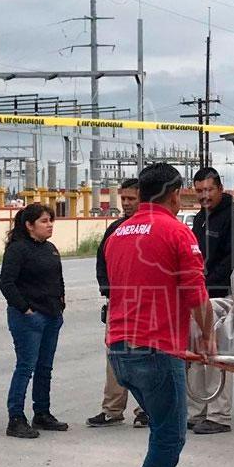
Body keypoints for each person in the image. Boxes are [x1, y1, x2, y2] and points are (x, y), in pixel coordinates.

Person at [105, 162, 214, 467]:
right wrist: (210, 337)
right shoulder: (177, 232)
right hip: (156, 349)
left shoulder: (119, 232)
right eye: (182, 192)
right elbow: (196, 293)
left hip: (120, 348)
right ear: (172, 193)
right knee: (171, 435)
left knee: (161, 431)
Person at [187, 167, 234, 435]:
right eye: (199, 191)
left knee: (216, 356)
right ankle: (197, 411)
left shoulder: (233, 218)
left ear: (220, 189)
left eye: (209, 190)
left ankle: (219, 416)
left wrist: (207, 285)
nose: (204, 196)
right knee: (197, 354)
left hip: (219, 297)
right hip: (197, 296)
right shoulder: (200, 218)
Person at [0, 203, 68, 439]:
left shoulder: (50, 248)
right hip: (28, 318)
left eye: (51, 220)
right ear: (29, 225)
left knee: (44, 368)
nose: (49, 225)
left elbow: (58, 279)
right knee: (26, 366)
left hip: (51, 316)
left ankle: (42, 412)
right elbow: (6, 283)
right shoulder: (18, 249)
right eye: (44, 221)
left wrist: (60, 303)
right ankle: (16, 417)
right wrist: (25, 309)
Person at [87, 179, 149, 429]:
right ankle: (112, 409)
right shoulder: (115, 228)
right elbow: (102, 262)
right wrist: (108, 290)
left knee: (144, 357)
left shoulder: (149, 228)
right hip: (118, 304)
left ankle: (146, 408)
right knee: (115, 356)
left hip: (146, 305)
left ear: (143, 200)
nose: (126, 204)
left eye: (131, 199)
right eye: (123, 199)